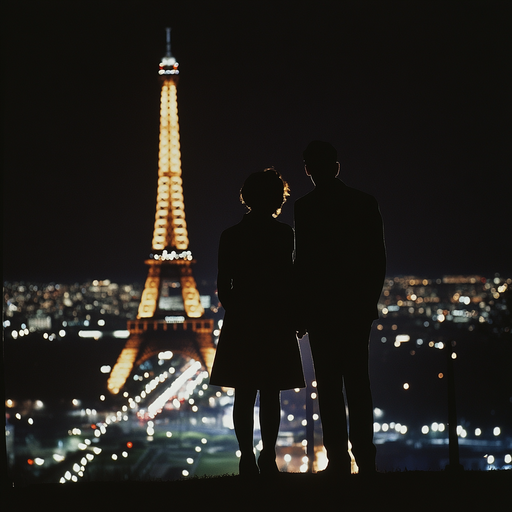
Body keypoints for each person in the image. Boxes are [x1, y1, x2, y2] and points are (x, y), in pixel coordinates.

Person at [294, 141, 386, 475]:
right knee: (358, 385)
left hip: (321, 311)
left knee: (329, 387)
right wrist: (366, 304)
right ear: (337, 166)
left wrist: (302, 311)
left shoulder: (304, 208)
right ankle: (365, 458)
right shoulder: (363, 203)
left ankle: (337, 461)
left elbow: (302, 264)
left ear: (308, 169)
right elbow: (376, 259)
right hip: (354, 309)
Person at [209, 168, 305, 476]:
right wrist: (293, 315)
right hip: (275, 321)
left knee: (244, 393)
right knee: (271, 393)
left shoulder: (231, 236)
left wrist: (241, 312)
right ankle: (267, 456)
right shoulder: (284, 234)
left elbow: (225, 287)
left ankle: (247, 457)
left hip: (243, 322)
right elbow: (290, 281)